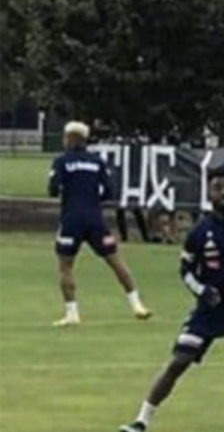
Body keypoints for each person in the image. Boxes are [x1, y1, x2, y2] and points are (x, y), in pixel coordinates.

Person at [118, 166, 224, 432]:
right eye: (217, 187)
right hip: (208, 314)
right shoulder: (199, 231)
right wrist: (202, 290)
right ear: (208, 192)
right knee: (177, 362)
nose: (223, 193)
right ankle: (140, 421)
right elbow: (186, 270)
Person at [48, 121, 152, 326]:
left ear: (70, 139)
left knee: (65, 265)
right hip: (95, 218)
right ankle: (137, 305)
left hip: (72, 218)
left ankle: (72, 313)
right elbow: (109, 192)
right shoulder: (97, 162)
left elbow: (52, 189)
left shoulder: (61, 161)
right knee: (115, 260)